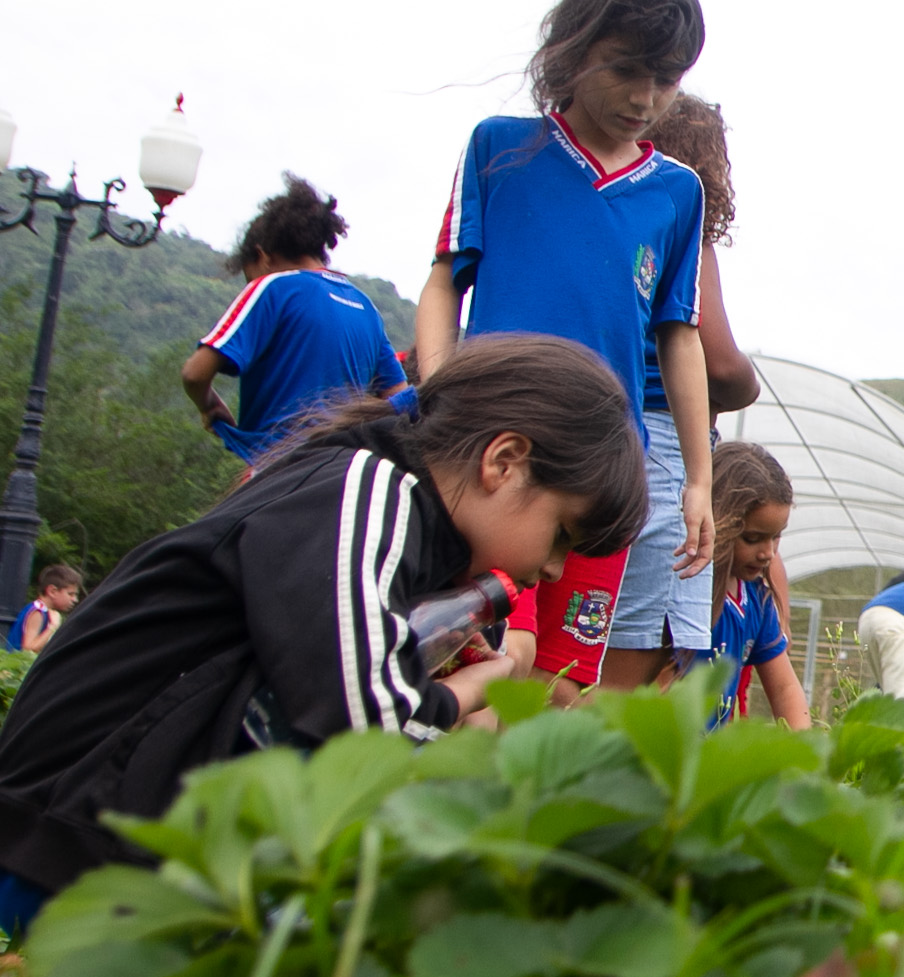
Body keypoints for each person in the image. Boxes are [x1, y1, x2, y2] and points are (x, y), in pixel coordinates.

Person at [0, 334, 647, 932]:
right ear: (503, 461)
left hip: (109, 829)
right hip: (77, 828)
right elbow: (366, 719)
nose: (555, 568)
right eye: (563, 532)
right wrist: (468, 690)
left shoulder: (413, 530)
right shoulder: (369, 488)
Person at [417, 0, 715, 702]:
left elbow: (679, 336)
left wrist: (699, 478)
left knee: (562, 682)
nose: (645, 97)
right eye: (624, 69)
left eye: (667, 79)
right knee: (475, 657)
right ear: (572, 49)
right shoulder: (500, 150)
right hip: (493, 463)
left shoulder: (676, 193)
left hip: (606, 472)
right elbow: (443, 283)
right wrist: (438, 398)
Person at [506, 91, 763, 704]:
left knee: (548, 640)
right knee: (622, 659)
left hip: (584, 425)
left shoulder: (591, 212)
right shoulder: (676, 213)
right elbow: (719, 361)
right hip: (656, 438)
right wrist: (748, 386)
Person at [183, 175, 407, 463]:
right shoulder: (365, 307)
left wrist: (208, 405)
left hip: (281, 467)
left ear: (262, 256)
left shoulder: (272, 288)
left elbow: (194, 374)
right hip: (340, 469)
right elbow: (399, 400)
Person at [685, 442, 808, 729]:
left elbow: (785, 690)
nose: (768, 553)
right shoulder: (686, 590)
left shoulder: (757, 601)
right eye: (752, 539)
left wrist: (803, 756)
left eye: (776, 537)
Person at [6, 565, 81, 654]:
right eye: (70, 594)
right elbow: (28, 649)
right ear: (52, 591)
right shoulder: (38, 612)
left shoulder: (43, 610)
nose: (75, 600)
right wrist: (52, 627)